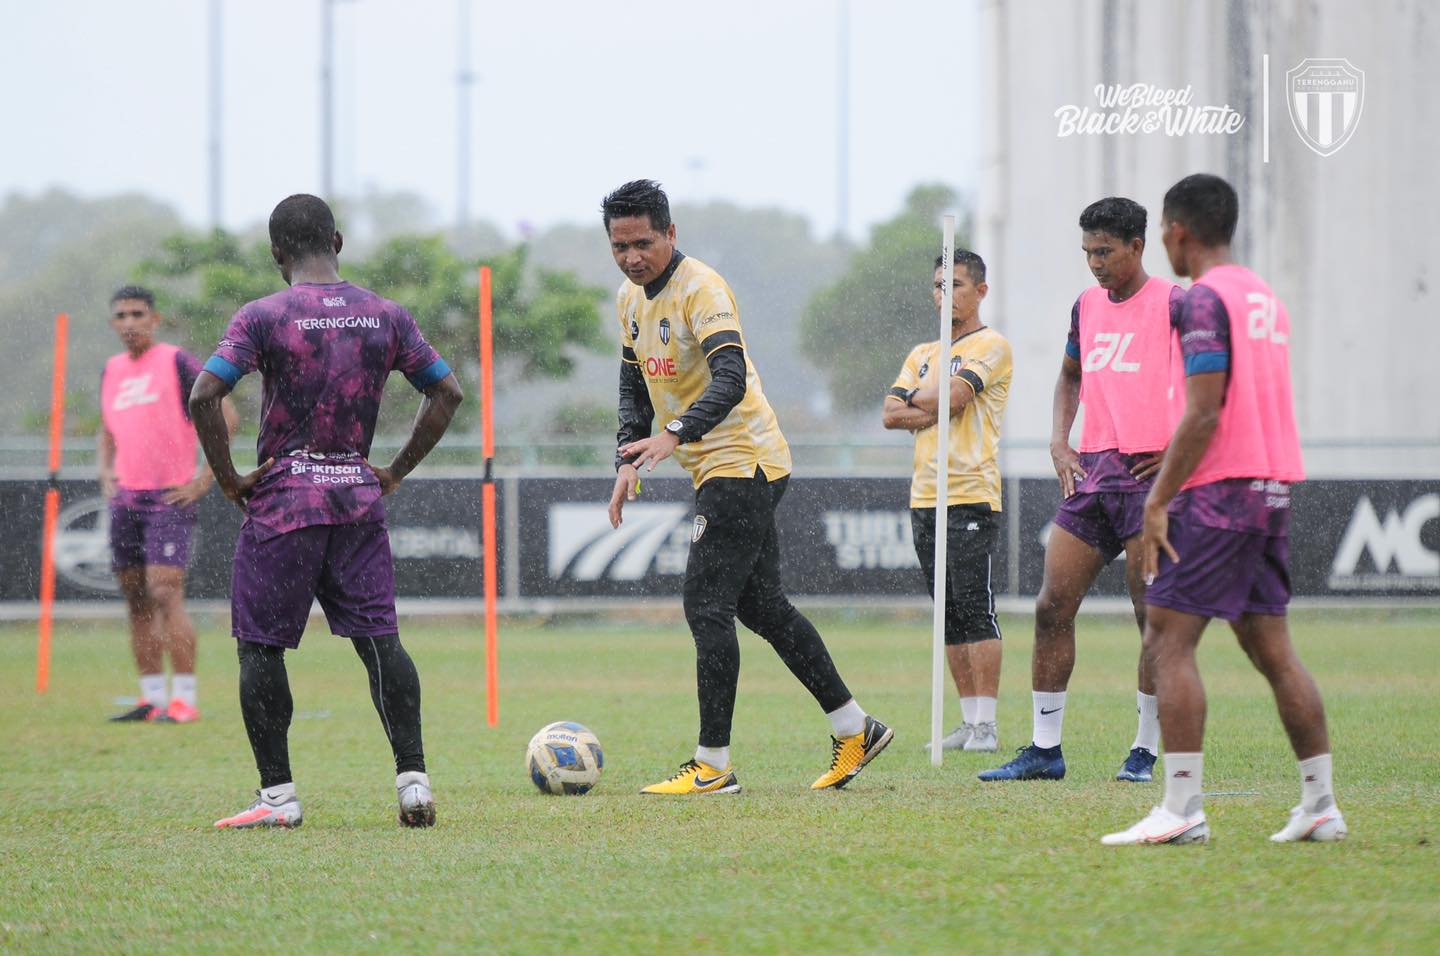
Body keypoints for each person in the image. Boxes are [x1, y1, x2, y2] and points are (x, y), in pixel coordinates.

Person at [603, 179, 892, 794]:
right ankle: (855, 727)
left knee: (705, 605)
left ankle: (713, 766)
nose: (632, 257)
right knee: (761, 606)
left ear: (671, 234)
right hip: (717, 464)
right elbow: (632, 384)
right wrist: (626, 457)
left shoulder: (701, 288)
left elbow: (729, 377)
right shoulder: (630, 299)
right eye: (620, 245)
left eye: (644, 243)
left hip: (745, 460)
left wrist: (674, 433)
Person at [189, 194, 463, 829]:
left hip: (283, 505)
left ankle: (279, 800)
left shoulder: (264, 315)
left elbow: (205, 394)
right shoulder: (385, 314)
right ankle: (413, 783)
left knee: (261, 650)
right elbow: (446, 391)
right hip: (355, 502)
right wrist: (394, 469)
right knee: (379, 643)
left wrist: (230, 479)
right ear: (337, 242)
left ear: (277, 253)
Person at [1102, 174, 1345, 845]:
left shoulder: (1203, 299)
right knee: (1273, 649)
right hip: (1271, 486)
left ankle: (1180, 811)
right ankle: (1320, 803)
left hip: (1218, 491)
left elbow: (1205, 411)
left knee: (1167, 641)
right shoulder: (1263, 294)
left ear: (1178, 233)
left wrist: (1158, 500)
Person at [980, 198, 1183, 783]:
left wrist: (1175, 450)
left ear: (1137, 247)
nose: (1094, 264)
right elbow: (1071, 376)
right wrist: (1058, 441)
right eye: (1087, 252)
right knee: (1050, 608)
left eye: (1105, 252)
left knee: (1153, 621)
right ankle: (1046, 750)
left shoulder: (1176, 305)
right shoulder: (1087, 306)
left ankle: (1144, 751)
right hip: (1093, 475)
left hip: (1150, 485)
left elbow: (1212, 387)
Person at [883, 250, 1012, 754]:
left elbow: (956, 399)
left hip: (970, 494)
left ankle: (988, 724)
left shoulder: (992, 345)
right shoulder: (922, 353)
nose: (945, 294)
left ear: (979, 291)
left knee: (976, 608)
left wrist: (925, 401)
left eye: (955, 284)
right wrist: (927, 402)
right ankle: (966, 720)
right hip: (925, 495)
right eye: (939, 285)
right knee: (949, 612)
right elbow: (891, 414)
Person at [100, 285, 237, 724]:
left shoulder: (176, 361)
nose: (129, 322)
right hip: (127, 498)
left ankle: (185, 701)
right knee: (135, 597)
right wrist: (106, 472)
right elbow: (108, 428)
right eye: (121, 315)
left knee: (165, 591)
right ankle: (151, 700)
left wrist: (204, 479)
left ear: (155, 320)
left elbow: (226, 418)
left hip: (169, 496)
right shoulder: (112, 370)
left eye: (138, 314)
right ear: (112, 323)